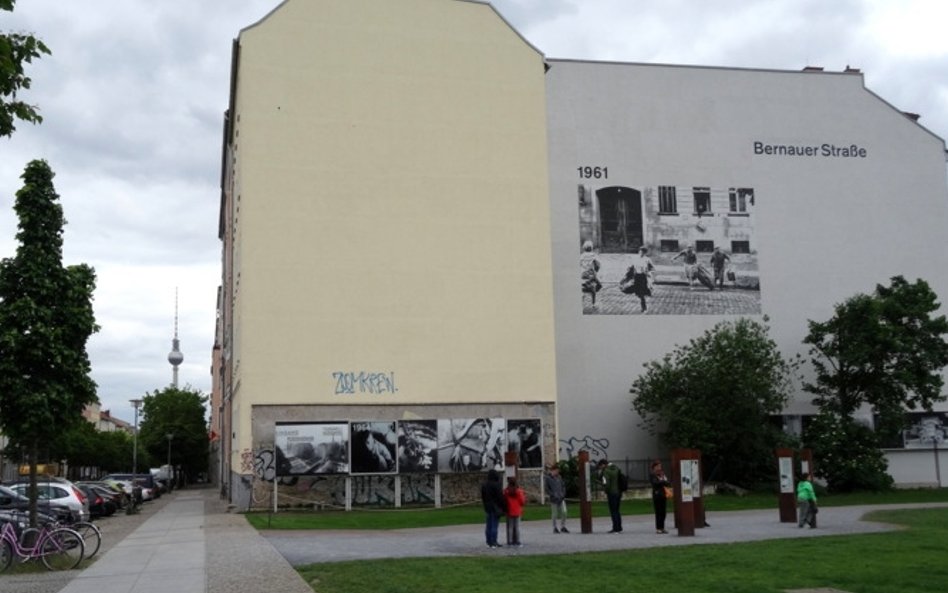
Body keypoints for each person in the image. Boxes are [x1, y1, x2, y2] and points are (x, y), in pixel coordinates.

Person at [622, 246, 654, 313]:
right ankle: (642, 297)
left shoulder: (647, 259)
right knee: (637, 292)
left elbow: (652, 268)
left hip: (643, 277)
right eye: (640, 251)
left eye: (642, 252)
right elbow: (631, 266)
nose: (641, 253)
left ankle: (644, 308)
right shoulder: (635, 259)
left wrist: (648, 271)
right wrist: (629, 268)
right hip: (636, 276)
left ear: (645, 253)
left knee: (641, 293)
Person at [480, 469, 506, 548]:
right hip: (495, 507)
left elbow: (483, 497)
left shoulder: (484, 485)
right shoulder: (496, 485)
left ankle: (489, 541)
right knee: (494, 525)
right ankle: (493, 541)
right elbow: (500, 497)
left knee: (489, 525)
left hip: (487, 506)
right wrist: (503, 507)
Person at [598, 459, 622, 533]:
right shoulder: (616, 468)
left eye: (600, 466)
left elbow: (606, 483)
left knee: (613, 511)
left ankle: (615, 528)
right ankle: (619, 527)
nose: (600, 468)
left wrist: (605, 490)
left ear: (603, 464)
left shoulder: (606, 471)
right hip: (618, 491)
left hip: (611, 492)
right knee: (617, 510)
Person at [544, 464, 569, 533]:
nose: (557, 472)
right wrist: (552, 494)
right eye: (556, 470)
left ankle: (562, 526)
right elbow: (547, 489)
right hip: (554, 499)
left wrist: (563, 494)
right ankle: (555, 527)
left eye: (558, 471)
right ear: (553, 470)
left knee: (564, 512)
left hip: (561, 498)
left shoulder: (559, 477)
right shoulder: (548, 478)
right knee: (554, 514)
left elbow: (563, 486)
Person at [649, 460, 671, 534]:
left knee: (663, 512)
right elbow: (655, 483)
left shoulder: (662, 474)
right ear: (654, 467)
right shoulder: (652, 475)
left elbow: (667, 483)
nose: (659, 468)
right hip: (657, 494)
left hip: (663, 494)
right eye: (658, 466)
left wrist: (664, 482)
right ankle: (658, 528)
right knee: (658, 512)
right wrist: (663, 482)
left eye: (660, 466)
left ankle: (662, 527)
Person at [504, 477, 526, 546]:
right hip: (517, 510)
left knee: (510, 527)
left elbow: (504, 500)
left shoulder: (506, 491)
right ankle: (517, 540)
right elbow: (522, 501)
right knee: (517, 527)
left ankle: (510, 541)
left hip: (510, 510)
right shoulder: (519, 491)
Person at [580, 240, 602, 309]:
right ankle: (594, 303)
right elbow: (598, 265)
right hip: (591, 274)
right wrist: (596, 271)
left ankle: (584, 292)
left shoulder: (581, 256)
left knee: (585, 285)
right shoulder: (594, 255)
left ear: (584, 248)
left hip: (583, 274)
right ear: (591, 248)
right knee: (598, 286)